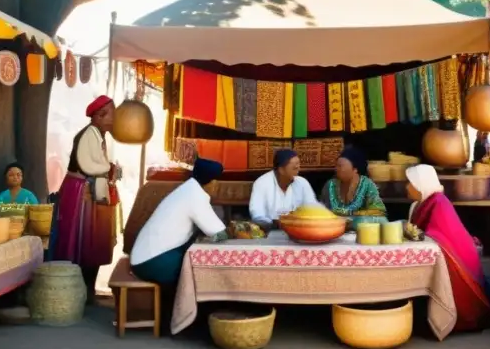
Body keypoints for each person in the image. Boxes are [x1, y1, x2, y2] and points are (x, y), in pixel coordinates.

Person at [406, 164, 490, 331]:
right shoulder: (419, 204)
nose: (406, 186)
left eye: (410, 182)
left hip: (457, 261)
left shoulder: (439, 202)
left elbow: (440, 237)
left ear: (420, 184)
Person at [52, 96, 121, 302]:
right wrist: (110, 168)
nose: (115, 119)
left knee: (95, 241)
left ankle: (87, 290)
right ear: (99, 116)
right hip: (83, 194)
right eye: (111, 114)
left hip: (92, 193)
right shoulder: (88, 135)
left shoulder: (98, 135)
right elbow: (87, 165)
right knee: (84, 240)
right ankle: (79, 291)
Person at [131, 158, 228, 287]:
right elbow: (219, 233)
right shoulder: (195, 195)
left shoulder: (188, 189)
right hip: (151, 262)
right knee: (198, 272)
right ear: (213, 182)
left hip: (144, 258)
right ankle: (183, 307)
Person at [248, 149, 318, 230]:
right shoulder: (262, 183)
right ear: (281, 170)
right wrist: (277, 224)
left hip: (298, 231)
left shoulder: (302, 183)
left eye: (298, 167)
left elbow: (313, 208)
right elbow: (258, 216)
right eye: (294, 168)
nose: (298, 171)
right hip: (269, 234)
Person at [320, 146, 385, 215]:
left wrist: (355, 214)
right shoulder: (330, 185)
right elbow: (320, 209)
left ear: (355, 169)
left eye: (340, 166)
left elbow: (379, 211)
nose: (336, 169)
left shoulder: (367, 185)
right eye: (336, 166)